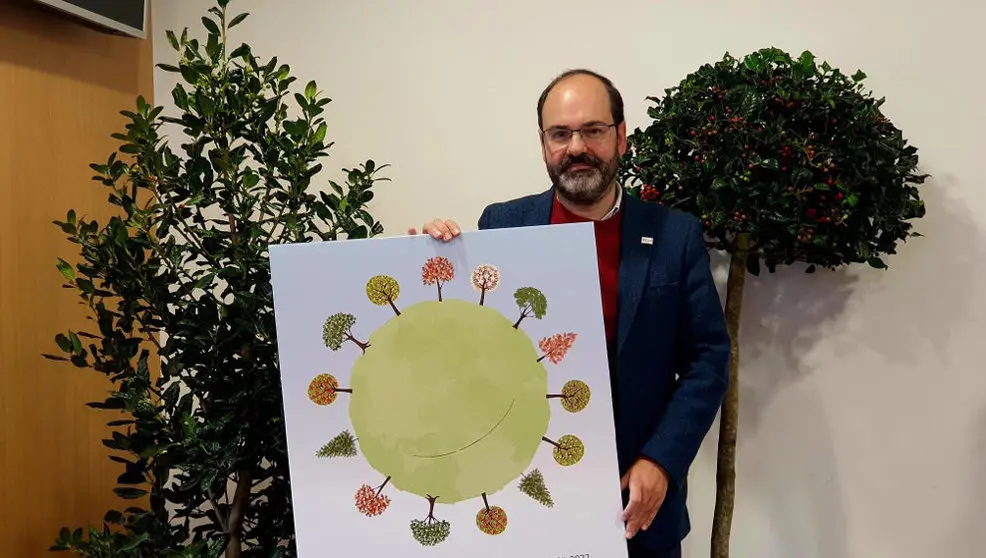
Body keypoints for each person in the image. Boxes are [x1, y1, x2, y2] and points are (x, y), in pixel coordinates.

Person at [408, 69, 730, 558]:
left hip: (635, 498)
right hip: (523, 489)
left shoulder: (675, 235)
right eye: (560, 133)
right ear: (543, 143)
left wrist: (662, 461)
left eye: (593, 130)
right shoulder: (501, 225)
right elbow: (464, 344)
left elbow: (707, 360)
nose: (576, 147)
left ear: (621, 136)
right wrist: (423, 265)